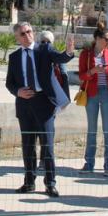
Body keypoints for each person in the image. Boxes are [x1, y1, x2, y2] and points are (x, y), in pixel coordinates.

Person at [6, 22, 74, 197]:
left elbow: (60, 58)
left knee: (47, 146)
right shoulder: (14, 57)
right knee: (28, 146)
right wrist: (18, 92)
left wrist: (68, 52)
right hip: (24, 105)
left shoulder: (44, 49)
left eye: (29, 31)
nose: (27, 35)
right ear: (17, 37)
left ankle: (50, 183)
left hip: (44, 103)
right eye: (23, 33)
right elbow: (9, 83)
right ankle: (29, 182)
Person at [77, 28, 108, 175]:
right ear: (97, 39)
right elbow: (81, 76)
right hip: (91, 94)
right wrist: (93, 71)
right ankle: (89, 164)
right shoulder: (86, 54)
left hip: (107, 93)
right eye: (106, 39)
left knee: (107, 129)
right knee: (92, 129)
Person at [37, 30, 70, 170]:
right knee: (38, 130)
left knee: (48, 131)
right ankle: (39, 160)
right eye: (42, 41)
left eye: (48, 42)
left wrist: (65, 100)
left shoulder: (57, 58)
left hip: (52, 100)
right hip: (38, 98)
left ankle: (45, 160)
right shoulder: (36, 56)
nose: (45, 44)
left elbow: (64, 78)